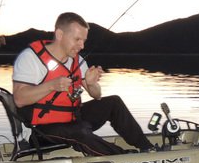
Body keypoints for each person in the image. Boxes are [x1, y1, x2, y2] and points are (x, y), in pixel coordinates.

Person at [12, 12, 155, 155]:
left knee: (113, 102)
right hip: (42, 130)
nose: (82, 45)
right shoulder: (31, 58)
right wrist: (52, 85)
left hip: (73, 119)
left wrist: (92, 84)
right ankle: (123, 157)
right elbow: (19, 99)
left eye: (84, 40)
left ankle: (147, 147)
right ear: (60, 35)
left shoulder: (77, 60)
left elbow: (97, 95)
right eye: (77, 39)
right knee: (80, 132)